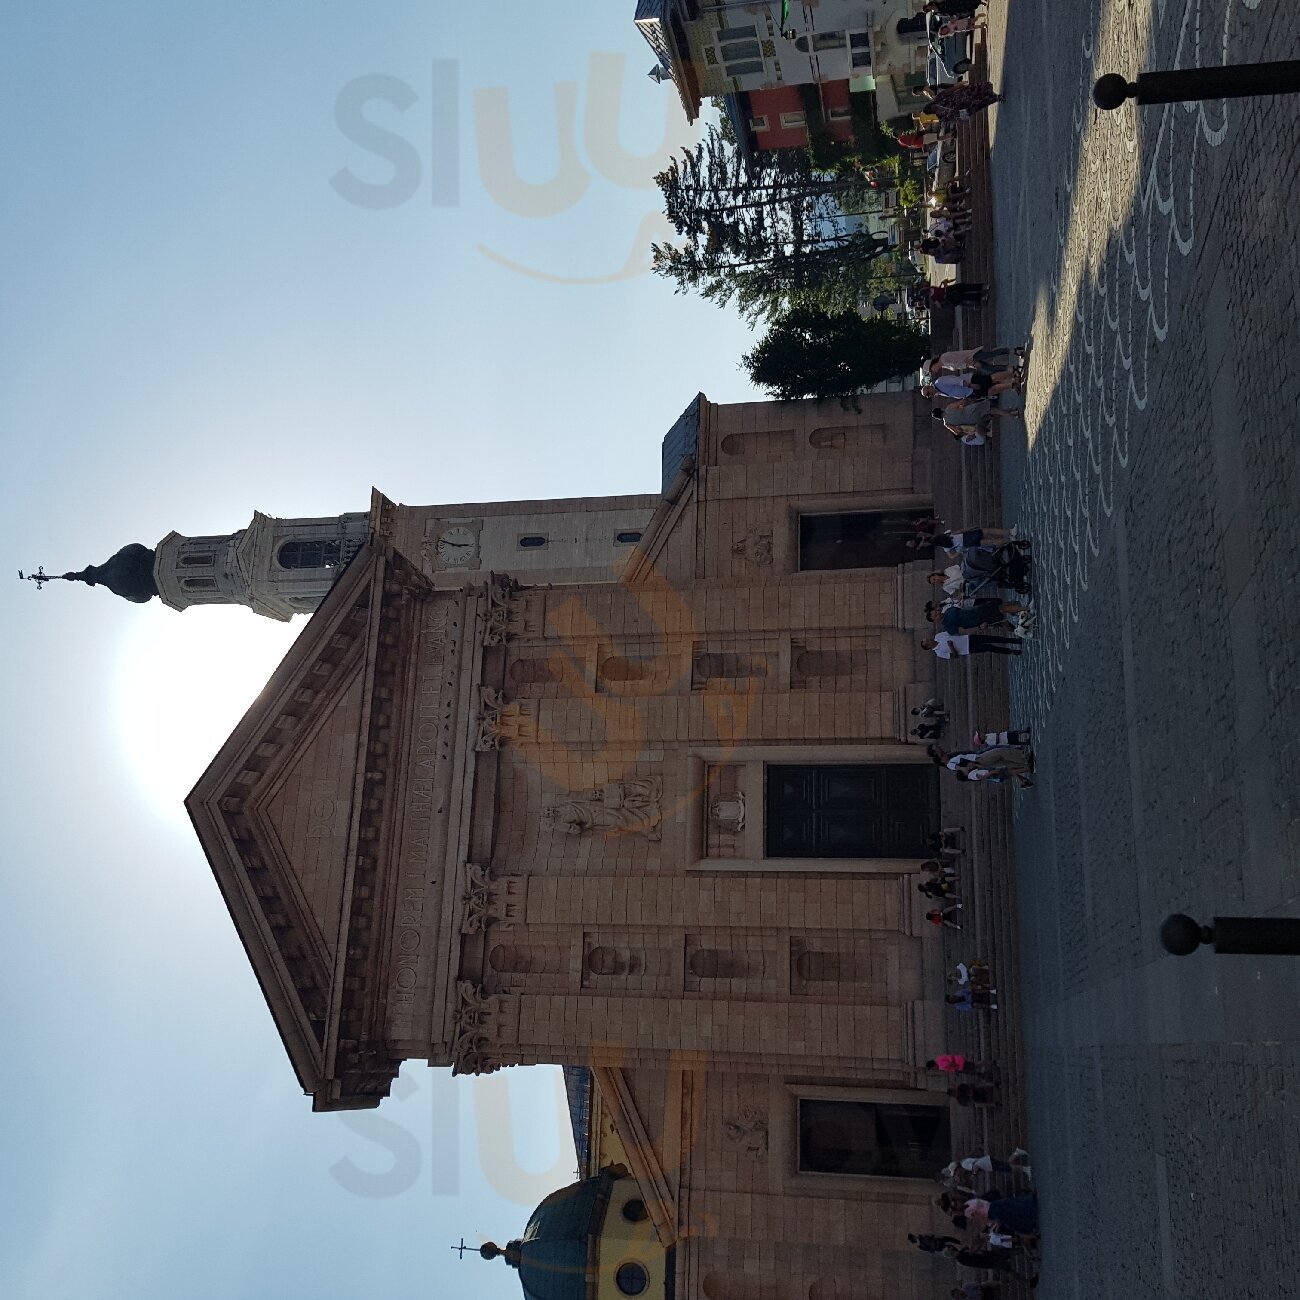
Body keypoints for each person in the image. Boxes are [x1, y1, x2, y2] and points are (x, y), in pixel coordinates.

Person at [924, 633, 1024, 658]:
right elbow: (954, 656)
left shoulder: (938, 636)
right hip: (967, 648)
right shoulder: (939, 652)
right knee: (989, 647)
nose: (929, 639)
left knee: (991, 638)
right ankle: (1010, 651)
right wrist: (951, 647)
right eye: (927, 642)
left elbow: (952, 633)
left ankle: (1013, 640)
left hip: (967, 638)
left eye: (927, 639)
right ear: (928, 647)